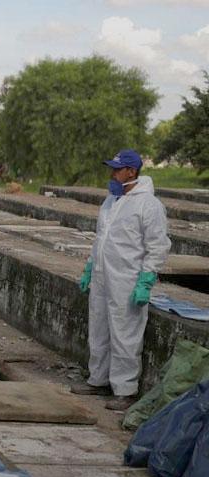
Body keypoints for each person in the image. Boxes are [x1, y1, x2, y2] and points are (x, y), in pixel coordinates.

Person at [73, 149, 170, 411]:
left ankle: (125, 389)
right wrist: (90, 268)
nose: (112, 174)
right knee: (99, 327)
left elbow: (158, 245)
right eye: (112, 169)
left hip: (127, 279)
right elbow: (101, 238)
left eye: (117, 169)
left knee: (125, 333)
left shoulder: (148, 205)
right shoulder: (111, 201)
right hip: (103, 275)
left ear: (131, 171)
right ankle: (98, 379)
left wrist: (146, 280)